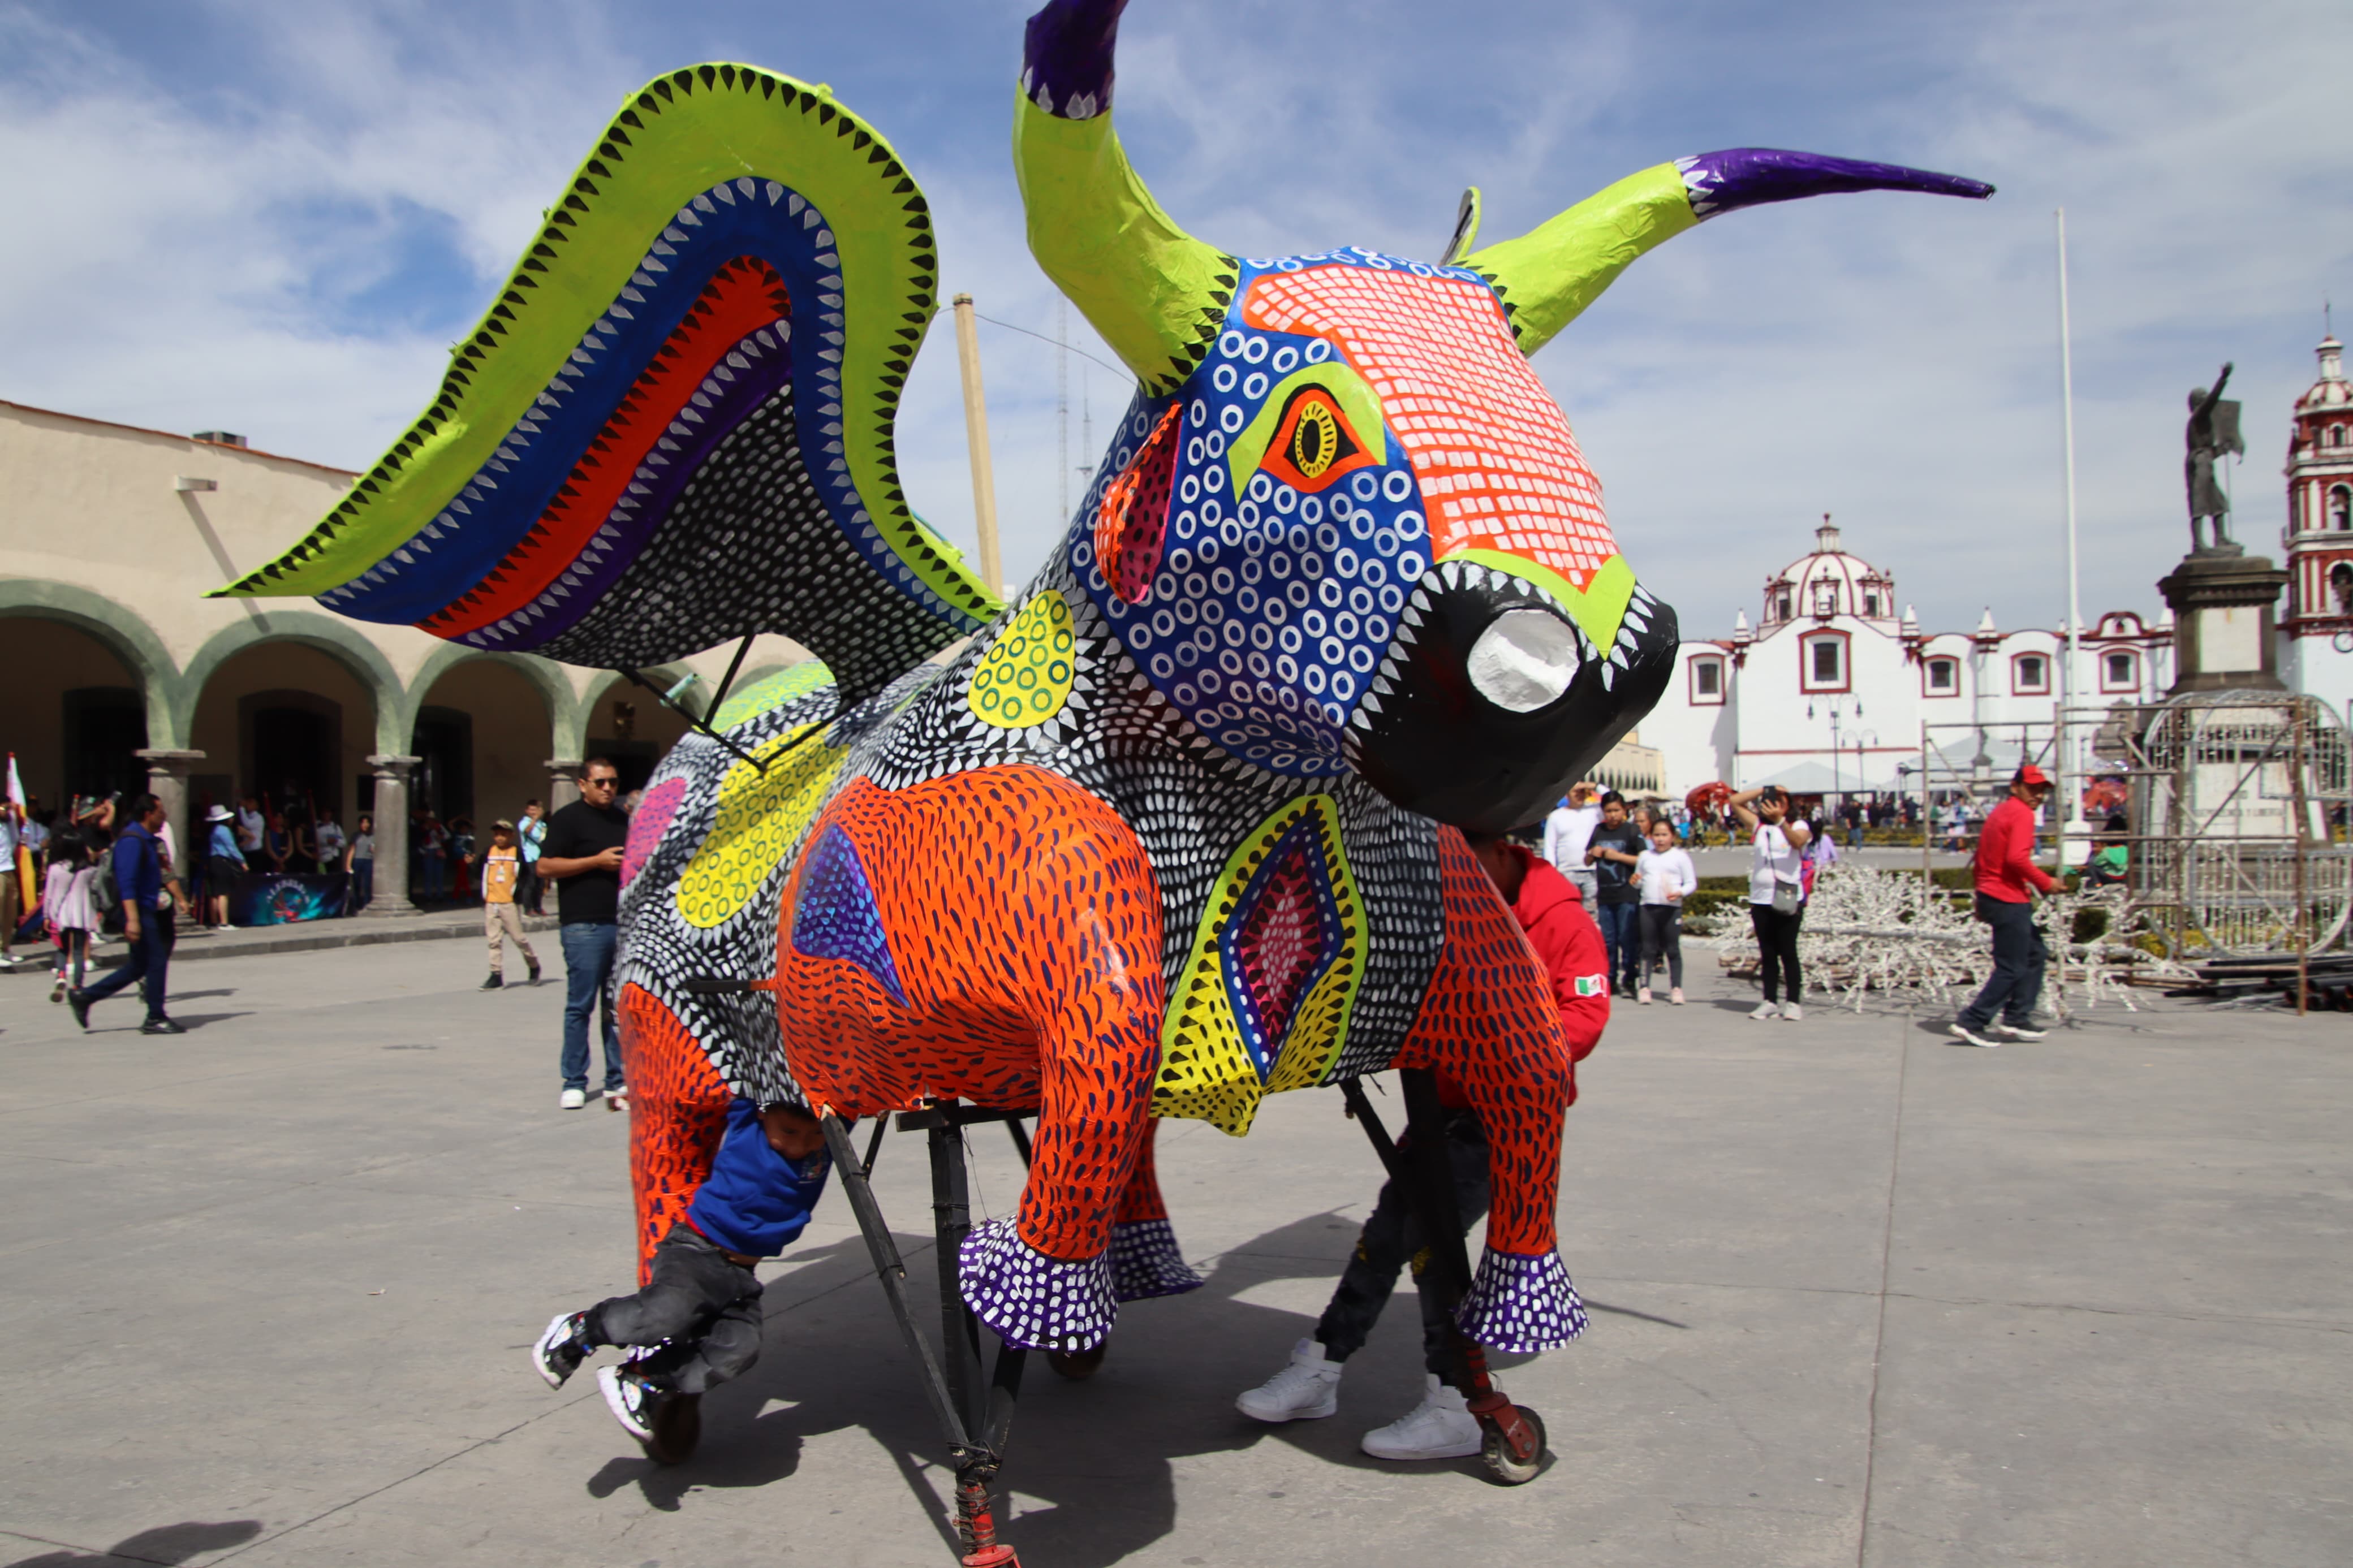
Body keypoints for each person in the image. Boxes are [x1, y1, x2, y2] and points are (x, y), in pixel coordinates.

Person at [1234, 829, 1609, 1460]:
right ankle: (1323, 1366)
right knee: (1386, 1231)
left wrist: (1496, 1047)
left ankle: (1454, 1401)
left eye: (1459, 860)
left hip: (1507, 1121)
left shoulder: (1561, 918)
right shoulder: (1448, 908)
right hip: (1437, 1112)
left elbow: (1583, 1019)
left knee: (1429, 1242)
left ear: (1498, 848)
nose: (1447, 876)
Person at [532, 1098, 834, 1462]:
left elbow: (852, 1102)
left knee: (740, 1347)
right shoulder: (748, 1121)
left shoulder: (830, 1131)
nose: (801, 1145)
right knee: (664, 1312)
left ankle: (645, 1378)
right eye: (788, 1132)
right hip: (697, 1252)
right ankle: (581, 1329)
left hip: (741, 1276)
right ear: (762, 1115)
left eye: (814, 1135)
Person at [540, 759, 629, 1111]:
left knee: (616, 1008)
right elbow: (545, 866)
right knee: (581, 1005)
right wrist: (595, 861)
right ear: (583, 784)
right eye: (601, 782)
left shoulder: (623, 820)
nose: (608, 788)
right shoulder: (567, 819)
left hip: (620, 925)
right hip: (584, 927)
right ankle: (574, 1080)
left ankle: (616, 1079)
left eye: (613, 782)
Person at [1951, 766, 2058, 1048]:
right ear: (2016, 787)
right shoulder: (2022, 814)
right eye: (2032, 788)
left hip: (1994, 895)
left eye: (2042, 790)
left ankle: (2017, 1017)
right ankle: (1973, 1021)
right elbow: (2017, 860)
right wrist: (2047, 883)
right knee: (2012, 967)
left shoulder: (2002, 812)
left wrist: (1980, 896)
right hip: (2008, 898)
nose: (2038, 795)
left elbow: (1982, 857)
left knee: (2035, 953)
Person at [67, 793, 183, 1035]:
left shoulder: (146, 839)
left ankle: (85, 997)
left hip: (148, 909)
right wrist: (132, 919)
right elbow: (127, 882)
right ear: (148, 814)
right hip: (139, 911)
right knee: (156, 960)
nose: (164, 817)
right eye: (161, 812)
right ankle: (155, 1016)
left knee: (138, 966)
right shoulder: (132, 840)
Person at [1731, 785, 1812, 1021]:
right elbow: (1735, 802)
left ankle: (1794, 1002)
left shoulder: (1799, 825)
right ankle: (1769, 1001)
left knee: (1788, 951)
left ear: (1789, 805)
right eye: (1770, 801)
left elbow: (1798, 842)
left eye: (1779, 800)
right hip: (1761, 898)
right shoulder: (1759, 826)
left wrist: (1781, 821)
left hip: (1787, 898)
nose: (1773, 805)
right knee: (1767, 953)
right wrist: (1763, 791)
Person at [1584, 791, 1645, 996]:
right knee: (1608, 941)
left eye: (1616, 810)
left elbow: (1643, 860)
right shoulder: (1599, 830)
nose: (1613, 815)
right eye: (1608, 811)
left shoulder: (1631, 830)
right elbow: (1587, 860)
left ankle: (1630, 977)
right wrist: (1593, 854)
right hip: (1605, 895)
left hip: (1627, 894)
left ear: (1624, 810)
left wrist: (1617, 856)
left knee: (1627, 938)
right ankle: (1610, 979)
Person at [1632, 817, 1696, 1004]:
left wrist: (1680, 892)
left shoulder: (1680, 856)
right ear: (1650, 836)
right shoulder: (1645, 856)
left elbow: (1691, 882)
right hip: (1648, 906)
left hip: (1671, 908)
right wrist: (1637, 882)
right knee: (1648, 949)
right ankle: (1644, 986)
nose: (1660, 839)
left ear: (1673, 837)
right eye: (1657, 835)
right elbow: (1640, 882)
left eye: (1664, 835)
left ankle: (1676, 988)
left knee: (1672, 949)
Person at [479, 819, 541, 990]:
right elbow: (480, 872)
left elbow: (527, 876)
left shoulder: (517, 853)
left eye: (504, 834)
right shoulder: (488, 852)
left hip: (509, 902)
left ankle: (534, 965)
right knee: (494, 940)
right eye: (497, 834)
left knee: (519, 939)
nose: (500, 838)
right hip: (492, 902)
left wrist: (518, 894)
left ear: (511, 835)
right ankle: (496, 975)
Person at [41, 828, 97, 1001]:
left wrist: (47, 916)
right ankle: (78, 986)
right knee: (79, 952)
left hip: (61, 914)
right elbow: (96, 890)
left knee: (62, 949)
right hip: (81, 914)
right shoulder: (88, 870)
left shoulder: (56, 869)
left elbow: (49, 895)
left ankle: (61, 976)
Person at [1542, 783, 1602, 906]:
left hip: (1592, 871)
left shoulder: (1594, 811)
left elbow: (1612, 797)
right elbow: (1550, 846)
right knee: (1569, 908)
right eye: (1576, 792)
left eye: (1582, 792)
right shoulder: (1556, 816)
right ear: (1567, 794)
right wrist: (1552, 873)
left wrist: (1592, 785)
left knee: (1592, 913)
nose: (1579, 795)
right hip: (1566, 872)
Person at [204, 803, 245, 928]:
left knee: (214, 893)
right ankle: (224, 922)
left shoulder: (212, 830)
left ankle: (214, 921)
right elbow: (231, 848)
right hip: (222, 861)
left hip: (212, 860)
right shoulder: (224, 830)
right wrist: (242, 861)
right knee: (223, 893)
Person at [518, 799, 547, 915]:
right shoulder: (524, 822)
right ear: (527, 811)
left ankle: (538, 907)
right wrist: (535, 819)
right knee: (530, 883)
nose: (533, 812)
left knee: (540, 884)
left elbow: (543, 838)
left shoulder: (543, 825)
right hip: (529, 856)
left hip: (540, 856)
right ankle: (528, 909)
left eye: (536, 810)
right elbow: (527, 831)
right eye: (531, 810)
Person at [0, 792, 19, 967]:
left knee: (10, 912)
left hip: (9, 869)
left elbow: (15, 840)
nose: (8, 811)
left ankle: (6, 948)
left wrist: (11, 816)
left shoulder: (8, 823)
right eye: (5, 808)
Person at [2086, 814, 2130, 888]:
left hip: (2109, 876)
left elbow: (2097, 862)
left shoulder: (2107, 851)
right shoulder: (2126, 849)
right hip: (2122, 876)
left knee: (2092, 865)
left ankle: (2097, 884)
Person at [346, 814, 375, 913]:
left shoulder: (373, 836)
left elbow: (377, 851)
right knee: (356, 884)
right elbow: (352, 850)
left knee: (367, 885)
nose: (365, 825)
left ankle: (367, 904)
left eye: (367, 823)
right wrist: (348, 865)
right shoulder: (356, 836)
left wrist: (374, 851)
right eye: (363, 823)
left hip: (369, 860)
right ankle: (356, 905)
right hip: (357, 860)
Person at [313, 809, 347, 877]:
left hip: (334, 858)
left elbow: (344, 843)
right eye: (325, 813)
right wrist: (326, 842)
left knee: (335, 878)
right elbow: (314, 840)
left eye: (328, 813)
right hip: (322, 858)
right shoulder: (316, 826)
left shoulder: (336, 827)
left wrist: (336, 841)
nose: (327, 815)